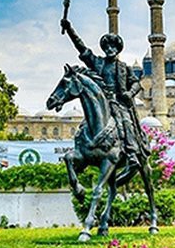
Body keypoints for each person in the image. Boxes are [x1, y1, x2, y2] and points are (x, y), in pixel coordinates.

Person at [60, 18, 149, 166]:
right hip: (101, 101)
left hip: (118, 102)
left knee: (126, 123)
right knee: (85, 127)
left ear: (117, 49)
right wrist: (69, 29)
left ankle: (132, 153)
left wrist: (130, 93)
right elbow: (81, 47)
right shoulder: (98, 63)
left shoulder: (124, 67)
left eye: (113, 47)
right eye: (107, 47)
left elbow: (136, 83)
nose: (110, 50)